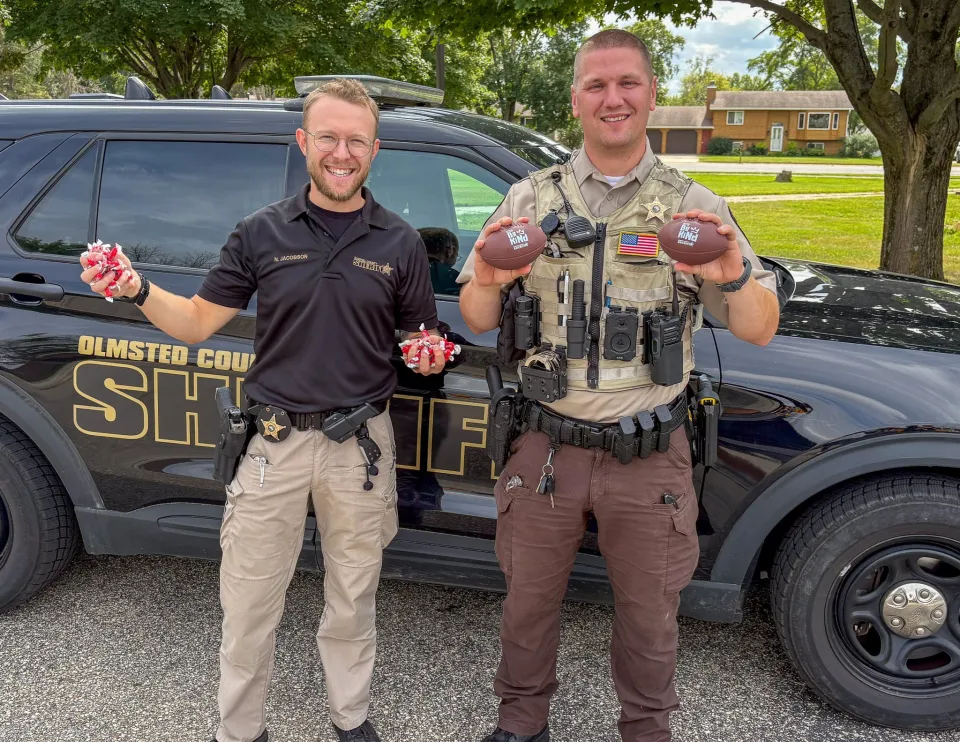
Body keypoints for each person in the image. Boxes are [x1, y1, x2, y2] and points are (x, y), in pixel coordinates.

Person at [79, 78, 447, 742]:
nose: (342, 152)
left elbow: (421, 341)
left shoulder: (399, 242)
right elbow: (194, 322)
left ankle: (350, 717)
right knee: (248, 606)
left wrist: (428, 358)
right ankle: (240, 729)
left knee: (352, 598)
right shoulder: (261, 233)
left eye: (356, 140)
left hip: (360, 448)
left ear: (375, 149)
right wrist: (135, 289)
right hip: (273, 446)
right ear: (305, 143)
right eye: (329, 137)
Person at [456, 29, 780, 742]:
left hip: (649, 455)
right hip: (545, 448)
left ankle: (646, 730)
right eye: (596, 85)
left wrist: (733, 275)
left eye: (627, 83)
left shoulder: (693, 206)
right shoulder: (526, 199)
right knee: (528, 605)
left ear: (651, 94)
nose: (613, 98)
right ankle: (521, 724)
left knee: (648, 614)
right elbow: (478, 316)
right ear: (575, 100)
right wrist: (486, 277)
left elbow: (760, 327)